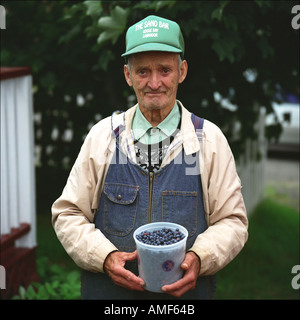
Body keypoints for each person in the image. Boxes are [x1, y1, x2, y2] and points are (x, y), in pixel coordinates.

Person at [52, 15, 248, 300]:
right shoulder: (103, 137)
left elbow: (232, 221)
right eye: (143, 71)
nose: (154, 83)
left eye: (164, 70)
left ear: (182, 71)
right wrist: (104, 257)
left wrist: (199, 257)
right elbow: (68, 214)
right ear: (127, 75)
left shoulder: (208, 140)